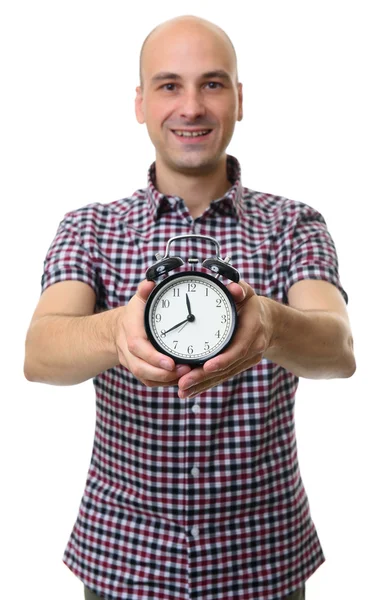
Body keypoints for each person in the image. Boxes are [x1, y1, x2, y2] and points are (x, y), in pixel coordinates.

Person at [24, 14, 356, 600]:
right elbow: (40, 352)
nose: (192, 107)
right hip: (124, 558)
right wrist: (115, 334)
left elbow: (338, 349)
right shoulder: (90, 229)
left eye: (212, 83)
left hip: (264, 559)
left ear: (239, 98)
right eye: (169, 84)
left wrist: (272, 324)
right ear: (140, 102)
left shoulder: (294, 225)